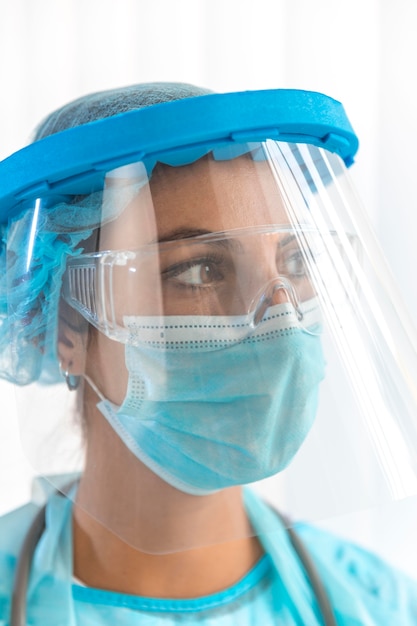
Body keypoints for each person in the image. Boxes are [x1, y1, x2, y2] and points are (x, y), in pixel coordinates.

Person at [0, 82, 417, 625]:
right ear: (64, 330)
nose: (282, 321)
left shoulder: (382, 605)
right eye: (199, 270)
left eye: (294, 262)